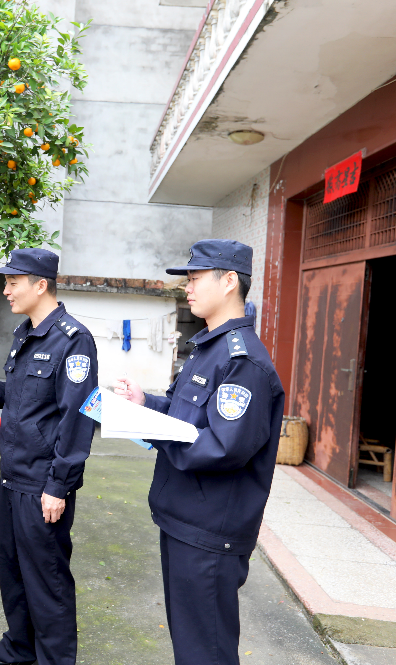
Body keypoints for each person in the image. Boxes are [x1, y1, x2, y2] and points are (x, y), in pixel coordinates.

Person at [114, 239, 285, 665]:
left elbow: (223, 447)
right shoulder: (208, 348)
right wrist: (146, 405)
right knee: (190, 645)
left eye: (194, 278)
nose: (187, 288)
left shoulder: (243, 362)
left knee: (205, 651)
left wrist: (154, 431)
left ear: (229, 282)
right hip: (184, 518)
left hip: (209, 531)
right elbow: (185, 414)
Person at [0, 248, 98, 665]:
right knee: (14, 573)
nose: (6, 290)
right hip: (13, 476)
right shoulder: (26, 333)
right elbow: (25, 396)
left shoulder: (73, 340)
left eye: (13, 282)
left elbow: (78, 417)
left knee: (47, 581)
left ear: (41, 285)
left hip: (42, 484)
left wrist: (59, 485)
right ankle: (20, 649)